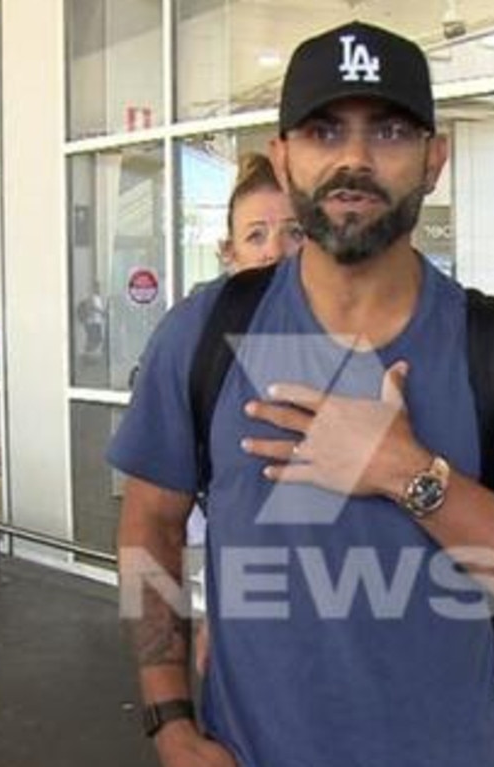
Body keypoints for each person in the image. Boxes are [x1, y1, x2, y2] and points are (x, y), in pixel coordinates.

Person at [111, 20, 494, 767]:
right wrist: (170, 718)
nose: (354, 158)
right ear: (283, 160)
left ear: (434, 158)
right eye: (323, 132)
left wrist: (406, 471)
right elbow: (149, 523)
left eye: (388, 130)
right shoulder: (206, 332)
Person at [188, 152, 304, 672]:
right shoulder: (202, 350)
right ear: (228, 252)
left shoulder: (364, 349)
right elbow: (192, 505)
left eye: (295, 232)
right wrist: (214, 607)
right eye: (256, 236)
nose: (275, 251)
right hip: (249, 620)